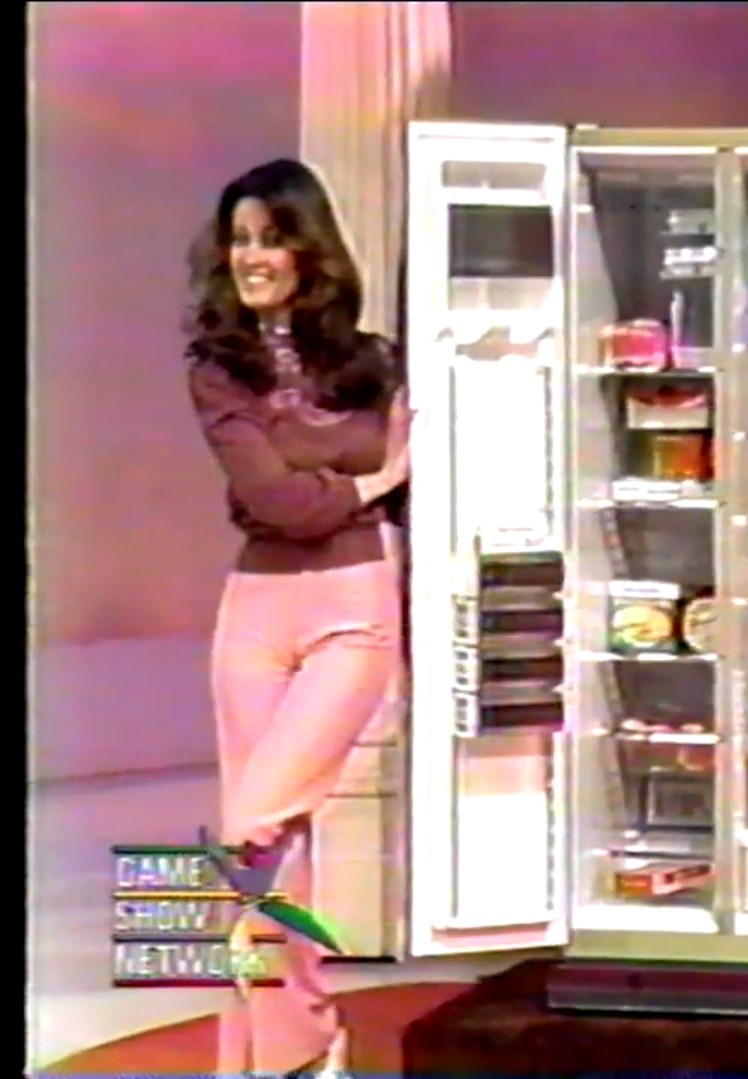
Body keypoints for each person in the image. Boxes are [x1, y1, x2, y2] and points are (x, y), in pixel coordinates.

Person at [185, 157, 410, 1079]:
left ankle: (295, 1047)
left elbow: (308, 489)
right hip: (254, 610)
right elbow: (272, 499)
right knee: (270, 857)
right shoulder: (217, 370)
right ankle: (287, 1056)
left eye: (272, 238)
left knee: (250, 827)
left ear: (309, 251)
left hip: (352, 607)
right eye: (239, 240)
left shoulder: (373, 362)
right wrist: (368, 479)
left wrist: (331, 487)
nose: (252, 257)